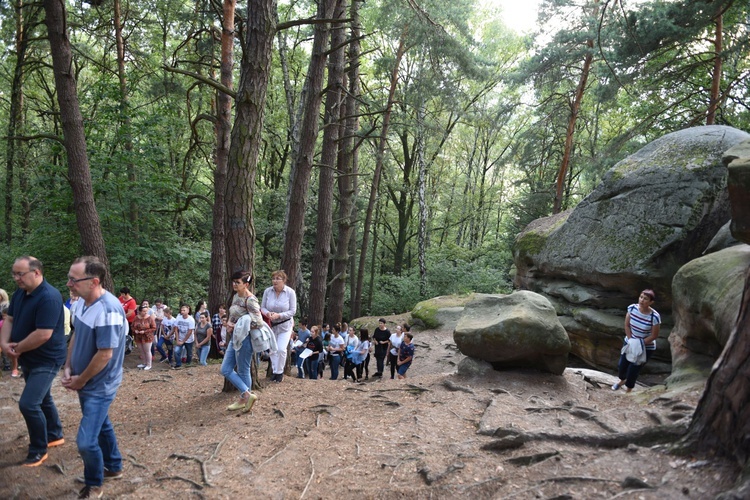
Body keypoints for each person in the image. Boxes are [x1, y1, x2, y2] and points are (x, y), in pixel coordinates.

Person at [62, 256, 127, 498]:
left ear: (94, 281)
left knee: (86, 442)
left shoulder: (108, 309)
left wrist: (81, 380)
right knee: (102, 424)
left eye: (74, 279)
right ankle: (114, 466)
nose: (69, 283)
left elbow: (105, 354)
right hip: (85, 381)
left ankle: (94, 483)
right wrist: (68, 366)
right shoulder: (80, 303)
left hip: (100, 385)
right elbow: (77, 336)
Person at [0, 256, 67, 467]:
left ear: (36, 272)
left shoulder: (49, 297)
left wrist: (16, 349)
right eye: (14, 274)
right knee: (43, 398)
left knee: (29, 404)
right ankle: (55, 434)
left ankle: (39, 448)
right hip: (28, 356)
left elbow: (43, 334)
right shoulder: (20, 294)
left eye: (20, 274)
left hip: (47, 359)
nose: (16, 278)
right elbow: (9, 319)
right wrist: (4, 344)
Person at [221, 270, 262, 412]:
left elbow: (258, 322)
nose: (234, 284)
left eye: (238, 282)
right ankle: (247, 395)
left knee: (244, 370)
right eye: (233, 282)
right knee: (225, 369)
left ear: (246, 284)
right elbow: (234, 314)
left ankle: (245, 398)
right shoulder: (236, 296)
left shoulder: (250, 300)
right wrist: (230, 324)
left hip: (245, 339)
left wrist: (237, 325)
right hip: (235, 338)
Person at [612, 289, 661, 393]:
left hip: (645, 346)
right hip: (630, 342)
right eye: (641, 297)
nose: (642, 300)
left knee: (633, 370)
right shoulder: (632, 308)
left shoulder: (654, 316)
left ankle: (629, 390)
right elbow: (626, 325)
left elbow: (654, 335)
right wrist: (631, 341)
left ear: (651, 302)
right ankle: (622, 380)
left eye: (645, 299)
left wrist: (640, 344)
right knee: (622, 366)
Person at [261, 270, 297, 383]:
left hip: (285, 325)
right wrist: (268, 314)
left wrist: (279, 315)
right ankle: (275, 371)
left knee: (281, 349)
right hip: (271, 326)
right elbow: (262, 307)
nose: (275, 281)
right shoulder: (267, 291)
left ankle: (280, 372)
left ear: (284, 280)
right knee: (272, 350)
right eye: (273, 278)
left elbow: (293, 311)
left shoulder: (290, 292)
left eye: (278, 278)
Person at [132, 305, 156, 370]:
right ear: (140, 311)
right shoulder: (136, 317)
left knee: (147, 351)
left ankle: (149, 364)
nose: (145, 312)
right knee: (141, 350)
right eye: (143, 311)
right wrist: (135, 330)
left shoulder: (149, 318)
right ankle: (144, 363)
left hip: (147, 337)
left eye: (146, 311)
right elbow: (132, 326)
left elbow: (153, 328)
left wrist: (145, 331)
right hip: (138, 336)